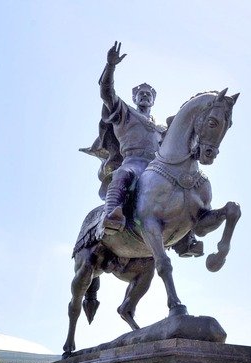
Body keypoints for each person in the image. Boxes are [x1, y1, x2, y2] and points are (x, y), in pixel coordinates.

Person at [82, 42, 202, 257]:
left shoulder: (161, 129)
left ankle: (187, 239)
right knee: (123, 174)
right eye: (141, 94)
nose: (145, 96)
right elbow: (106, 93)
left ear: (153, 100)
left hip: (157, 167)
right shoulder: (124, 112)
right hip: (133, 162)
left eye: (149, 94)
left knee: (185, 186)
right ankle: (112, 215)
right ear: (135, 98)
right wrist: (110, 66)